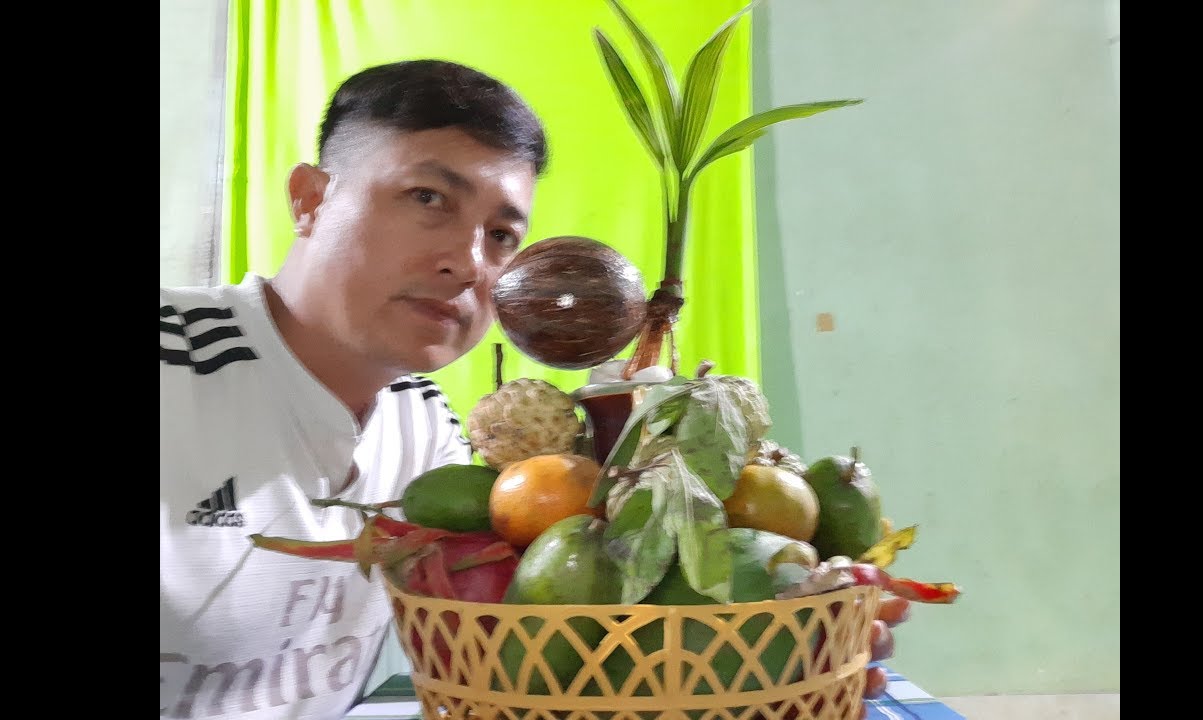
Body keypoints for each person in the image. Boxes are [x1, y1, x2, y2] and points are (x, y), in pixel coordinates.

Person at [160, 58, 907, 720]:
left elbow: (560, 626)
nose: (467, 261)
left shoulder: (425, 426)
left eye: (502, 236)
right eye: (427, 199)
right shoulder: (175, 368)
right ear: (310, 200)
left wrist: (799, 624)